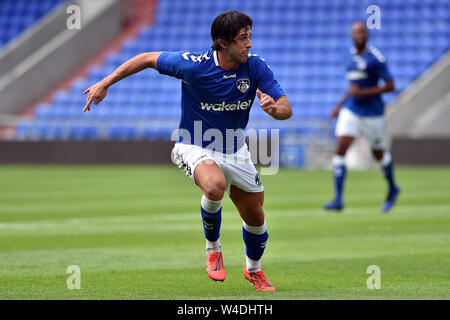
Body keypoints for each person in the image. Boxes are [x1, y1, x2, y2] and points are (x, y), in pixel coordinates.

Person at [82, 10, 292, 291]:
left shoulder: (255, 67)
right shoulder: (194, 66)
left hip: (235, 148)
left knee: (255, 216)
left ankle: (253, 269)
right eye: (243, 39)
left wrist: (273, 109)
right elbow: (146, 58)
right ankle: (213, 249)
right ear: (222, 42)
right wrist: (104, 82)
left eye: (249, 37)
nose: (249, 44)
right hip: (194, 144)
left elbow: (285, 109)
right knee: (214, 187)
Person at [324, 21, 400, 213]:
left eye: (362, 32)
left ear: (367, 35)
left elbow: (390, 86)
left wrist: (364, 93)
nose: (358, 35)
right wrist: (339, 106)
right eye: (355, 32)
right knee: (341, 148)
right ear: (351, 35)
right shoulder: (349, 57)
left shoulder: (376, 59)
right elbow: (353, 88)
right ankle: (338, 199)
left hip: (373, 113)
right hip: (352, 110)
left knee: (378, 154)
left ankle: (392, 188)